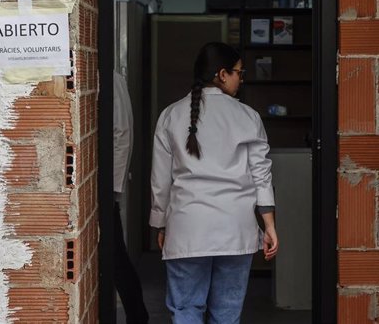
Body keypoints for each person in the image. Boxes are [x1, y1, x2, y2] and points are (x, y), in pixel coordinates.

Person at [149, 42, 278, 324]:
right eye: (238, 74)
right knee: (227, 315)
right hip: (236, 229)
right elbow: (261, 174)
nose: (240, 80)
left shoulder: (171, 115)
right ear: (222, 74)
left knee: (185, 311)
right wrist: (268, 225)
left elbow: (160, 180)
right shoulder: (248, 117)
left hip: (187, 227)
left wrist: (160, 223)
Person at [113, 70, 149, 324]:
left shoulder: (112, 78)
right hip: (97, 188)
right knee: (115, 256)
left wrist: (113, 189)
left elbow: (122, 134)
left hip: (103, 191)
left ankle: (137, 316)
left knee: (116, 256)